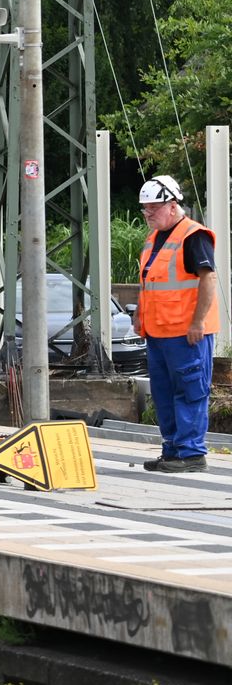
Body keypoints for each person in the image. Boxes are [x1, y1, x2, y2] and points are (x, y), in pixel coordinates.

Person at [137, 175, 217, 472]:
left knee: (190, 390)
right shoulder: (155, 238)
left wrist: (198, 322)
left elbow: (208, 279)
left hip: (187, 333)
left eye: (152, 209)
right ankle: (172, 450)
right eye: (145, 210)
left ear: (172, 206)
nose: (148, 215)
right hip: (158, 332)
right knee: (163, 392)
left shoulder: (193, 235)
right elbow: (150, 283)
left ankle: (192, 452)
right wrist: (138, 315)